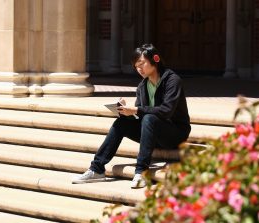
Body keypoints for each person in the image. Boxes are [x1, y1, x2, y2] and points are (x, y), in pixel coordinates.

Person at [72, 43, 191, 188]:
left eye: (142, 64)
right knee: (121, 123)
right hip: (153, 133)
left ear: (155, 59)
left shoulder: (172, 80)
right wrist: (124, 111)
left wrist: (135, 110)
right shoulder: (142, 86)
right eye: (136, 66)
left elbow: (166, 111)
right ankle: (97, 169)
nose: (139, 69)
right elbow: (139, 115)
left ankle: (141, 172)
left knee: (149, 118)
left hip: (175, 134)